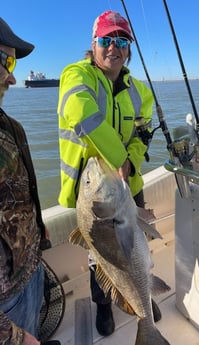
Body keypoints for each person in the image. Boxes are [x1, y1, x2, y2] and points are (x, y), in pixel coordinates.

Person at [57, 10, 161, 337]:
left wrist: (130, 159)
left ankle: (141, 296)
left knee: (137, 248)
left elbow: (144, 134)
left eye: (121, 40)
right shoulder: (77, 75)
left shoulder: (140, 92)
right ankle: (104, 305)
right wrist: (117, 156)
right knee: (100, 257)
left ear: (128, 48)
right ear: (94, 44)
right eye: (106, 40)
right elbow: (79, 110)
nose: (113, 47)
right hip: (95, 195)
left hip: (127, 184)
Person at [0, 18, 60, 345]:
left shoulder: (11, 126)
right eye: (5, 61)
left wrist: (37, 225)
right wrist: (13, 336)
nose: (12, 76)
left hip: (31, 268)